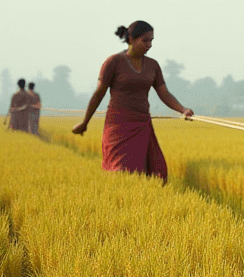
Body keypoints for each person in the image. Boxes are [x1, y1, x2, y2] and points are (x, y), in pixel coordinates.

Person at [72, 21, 193, 181]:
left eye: (152, 41)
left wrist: (183, 110)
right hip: (118, 125)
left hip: (142, 125)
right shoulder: (113, 62)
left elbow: (164, 93)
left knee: (157, 172)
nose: (149, 45)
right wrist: (84, 122)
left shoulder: (152, 65)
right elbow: (99, 94)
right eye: (145, 40)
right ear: (131, 39)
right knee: (122, 171)